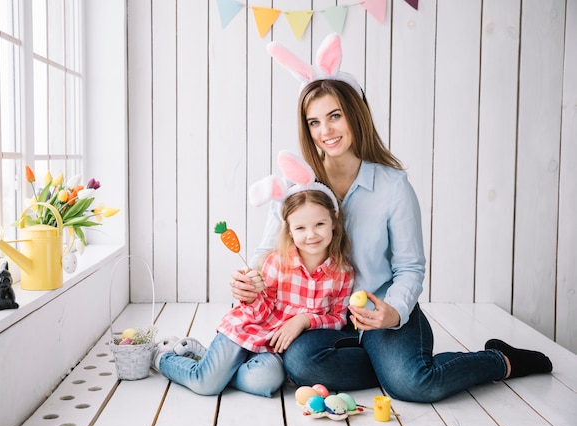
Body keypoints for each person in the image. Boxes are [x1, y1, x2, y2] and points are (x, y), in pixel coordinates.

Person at [230, 34, 553, 403]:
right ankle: (395, 368)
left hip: (379, 310)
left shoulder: (393, 186)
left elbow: (410, 267)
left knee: (415, 385)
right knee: (300, 362)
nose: (326, 131)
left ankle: (499, 359)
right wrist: (249, 279)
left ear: (355, 113)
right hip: (323, 315)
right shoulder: (297, 185)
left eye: (335, 116)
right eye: (315, 121)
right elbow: (268, 248)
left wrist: (394, 312)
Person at [153, 176, 354, 398]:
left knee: (268, 381)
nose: (311, 235)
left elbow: (338, 319)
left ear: (333, 221)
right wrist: (253, 297)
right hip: (246, 330)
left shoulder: (342, 273)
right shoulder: (277, 262)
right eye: (300, 228)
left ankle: (210, 362)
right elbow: (259, 311)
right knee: (206, 385)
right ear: (289, 230)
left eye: (319, 224)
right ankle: (163, 357)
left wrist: (304, 320)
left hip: (270, 349)